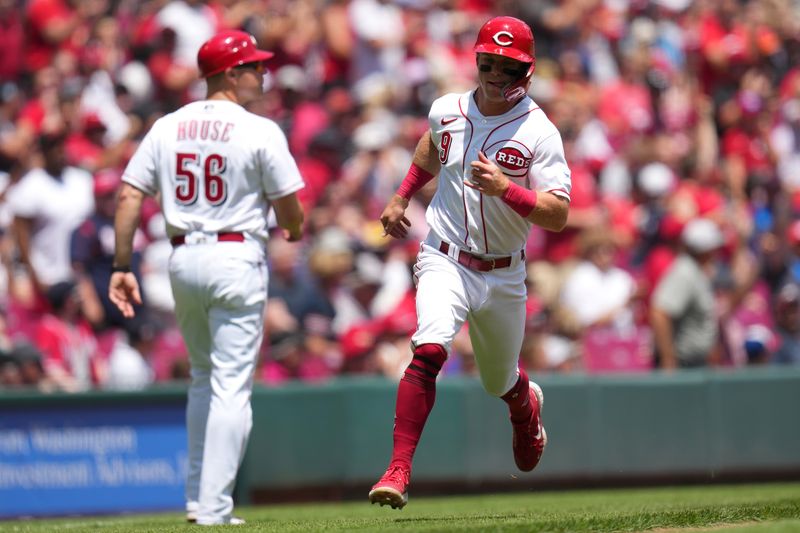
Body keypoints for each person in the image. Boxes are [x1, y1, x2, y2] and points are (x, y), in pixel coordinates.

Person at [371, 16, 571, 509]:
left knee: (497, 380)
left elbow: (560, 214)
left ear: (526, 69)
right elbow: (432, 146)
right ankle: (398, 470)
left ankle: (524, 404)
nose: (496, 73)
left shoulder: (539, 131)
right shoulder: (448, 109)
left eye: (508, 65)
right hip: (445, 256)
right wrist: (401, 196)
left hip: (505, 271)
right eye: (489, 62)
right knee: (430, 348)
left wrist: (508, 189)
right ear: (477, 61)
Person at [108, 30, 305, 526]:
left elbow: (130, 195)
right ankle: (214, 507)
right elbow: (291, 212)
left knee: (203, 378)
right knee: (231, 386)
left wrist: (120, 265)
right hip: (235, 254)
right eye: (254, 66)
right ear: (229, 74)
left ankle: (198, 498)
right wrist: (294, 227)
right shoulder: (259, 129)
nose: (262, 73)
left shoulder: (167, 125)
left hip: (182, 257)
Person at [650, 218, 723, 369]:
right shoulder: (685, 272)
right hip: (684, 365)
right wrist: (668, 358)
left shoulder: (696, 271)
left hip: (697, 363)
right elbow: (659, 312)